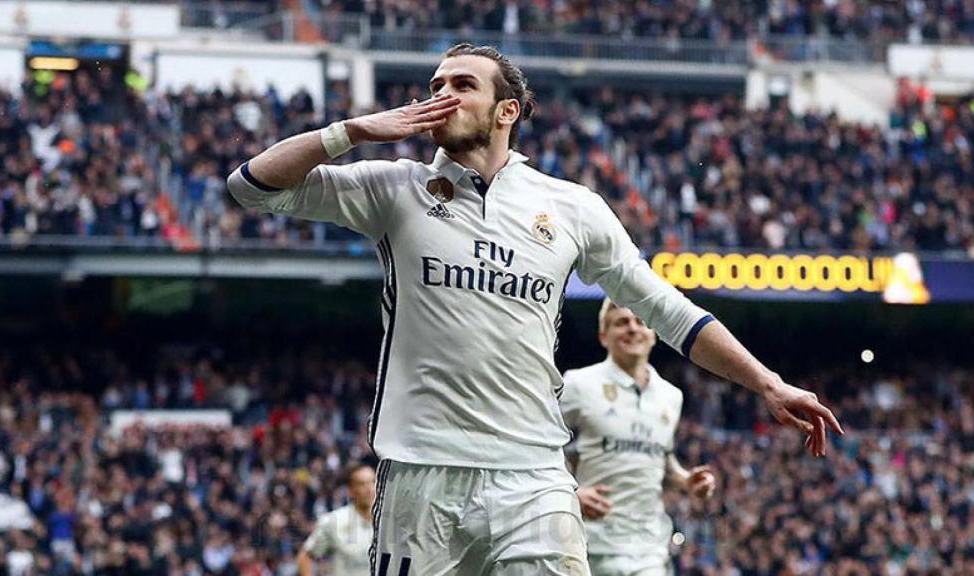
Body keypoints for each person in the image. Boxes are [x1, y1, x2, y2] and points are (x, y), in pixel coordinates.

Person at [227, 43, 842, 575]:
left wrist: (766, 382)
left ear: (507, 111)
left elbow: (663, 307)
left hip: (535, 475)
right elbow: (250, 187)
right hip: (421, 470)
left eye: (462, 85)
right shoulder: (396, 188)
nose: (442, 95)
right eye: (434, 85)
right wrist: (353, 133)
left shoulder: (571, 207)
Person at [561, 299, 717, 576]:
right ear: (603, 336)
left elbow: (662, 458)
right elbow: (542, 445)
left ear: (654, 333)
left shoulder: (671, 396)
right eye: (621, 322)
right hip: (589, 546)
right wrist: (570, 493)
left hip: (649, 549)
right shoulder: (578, 385)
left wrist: (685, 480)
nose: (632, 329)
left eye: (640, 321)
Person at [297, 464, 376, 576]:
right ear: (351, 490)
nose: (370, 489)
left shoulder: (389, 523)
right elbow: (304, 558)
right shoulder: (333, 521)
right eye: (362, 484)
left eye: (373, 482)